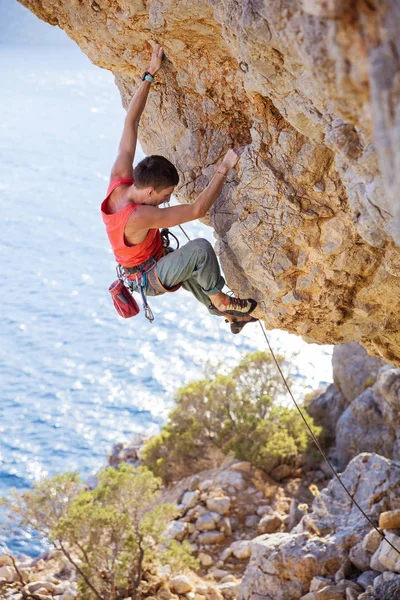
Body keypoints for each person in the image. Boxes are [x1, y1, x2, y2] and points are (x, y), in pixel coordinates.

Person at [101, 43, 257, 333]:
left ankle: (231, 315)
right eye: (165, 195)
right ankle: (223, 302)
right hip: (148, 277)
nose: (167, 199)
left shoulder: (120, 177)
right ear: (149, 192)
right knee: (199, 251)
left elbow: (131, 122)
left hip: (148, 264)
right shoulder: (138, 216)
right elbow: (198, 209)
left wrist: (149, 74)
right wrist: (223, 169)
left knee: (192, 270)